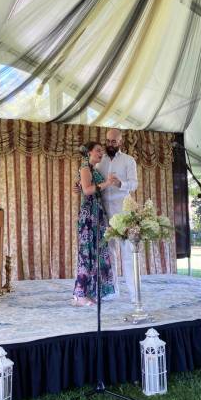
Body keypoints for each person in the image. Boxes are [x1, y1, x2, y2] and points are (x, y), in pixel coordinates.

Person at [73, 142, 117, 306]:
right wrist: (108, 183)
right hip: (89, 216)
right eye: (98, 151)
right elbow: (87, 190)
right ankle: (79, 295)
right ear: (89, 152)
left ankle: (88, 292)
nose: (101, 153)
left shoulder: (92, 169)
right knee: (87, 254)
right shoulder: (85, 167)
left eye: (101, 151)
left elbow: (82, 187)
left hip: (96, 214)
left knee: (95, 254)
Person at [96, 129, 138, 301]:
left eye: (114, 141)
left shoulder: (129, 160)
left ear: (120, 142)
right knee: (109, 254)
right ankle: (113, 291)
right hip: (105, 212)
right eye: (108, 141)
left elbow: (134, 184)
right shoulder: (100, 162)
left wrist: (121, 183)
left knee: (128, 254)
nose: (110, 144)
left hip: (123, 213)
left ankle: (135, 294)